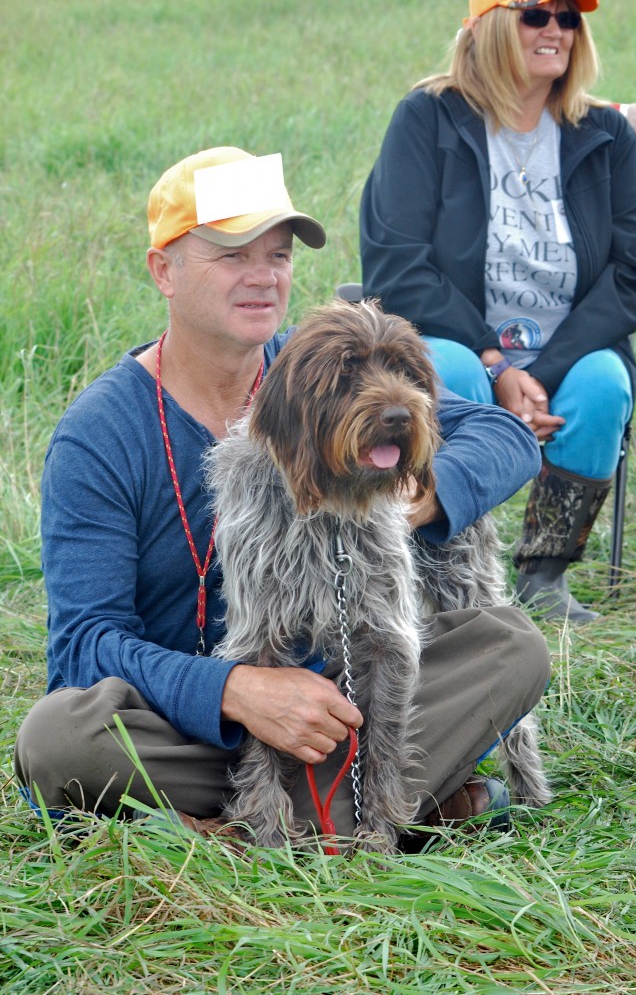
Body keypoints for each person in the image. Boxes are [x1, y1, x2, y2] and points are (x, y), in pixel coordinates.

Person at [15, 145, 550, 843]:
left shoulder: (319, 367)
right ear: (163, 270)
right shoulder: (101, 433)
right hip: (184, 727)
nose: (263, 277)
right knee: (57, 737)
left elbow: (503, 436)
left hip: (340, 708)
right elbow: (85, 645)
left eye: (279, 255)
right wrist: (236, 692)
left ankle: (238, 828)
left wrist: (423, 493)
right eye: (232, 256)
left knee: (511, 645)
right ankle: (370, 807)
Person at [360, 0, 636, 623]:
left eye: (568, 17)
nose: (556, 29)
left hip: (566, 349)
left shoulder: (604, 133)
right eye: (535, 15)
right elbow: (395, 263)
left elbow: (632, 274)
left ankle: (542, 576)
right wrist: (495, 364)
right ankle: (447, 571)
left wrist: (541, 374)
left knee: (603, 383)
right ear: (488, 28)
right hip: (460, 341)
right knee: (450, 372)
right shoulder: (429, 119)